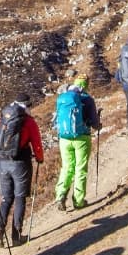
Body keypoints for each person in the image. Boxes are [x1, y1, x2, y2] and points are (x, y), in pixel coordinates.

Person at [0, 101, 44, 247]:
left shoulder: (3, 119)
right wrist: (39, 157)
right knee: (20, 198)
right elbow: (36, 142)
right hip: (21, 163)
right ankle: (16, 236)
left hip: (2, 162)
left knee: (6, 198)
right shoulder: (28, 121)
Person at [53, 78, 101, 211]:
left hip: (64, 139)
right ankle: (78, 201)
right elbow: (94, 122)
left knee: (67, 167)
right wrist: (98, 125)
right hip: (82, 138)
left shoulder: (64, 98)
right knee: (80, 168)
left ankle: (60, 195)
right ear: (86, 85)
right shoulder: (87, 99)